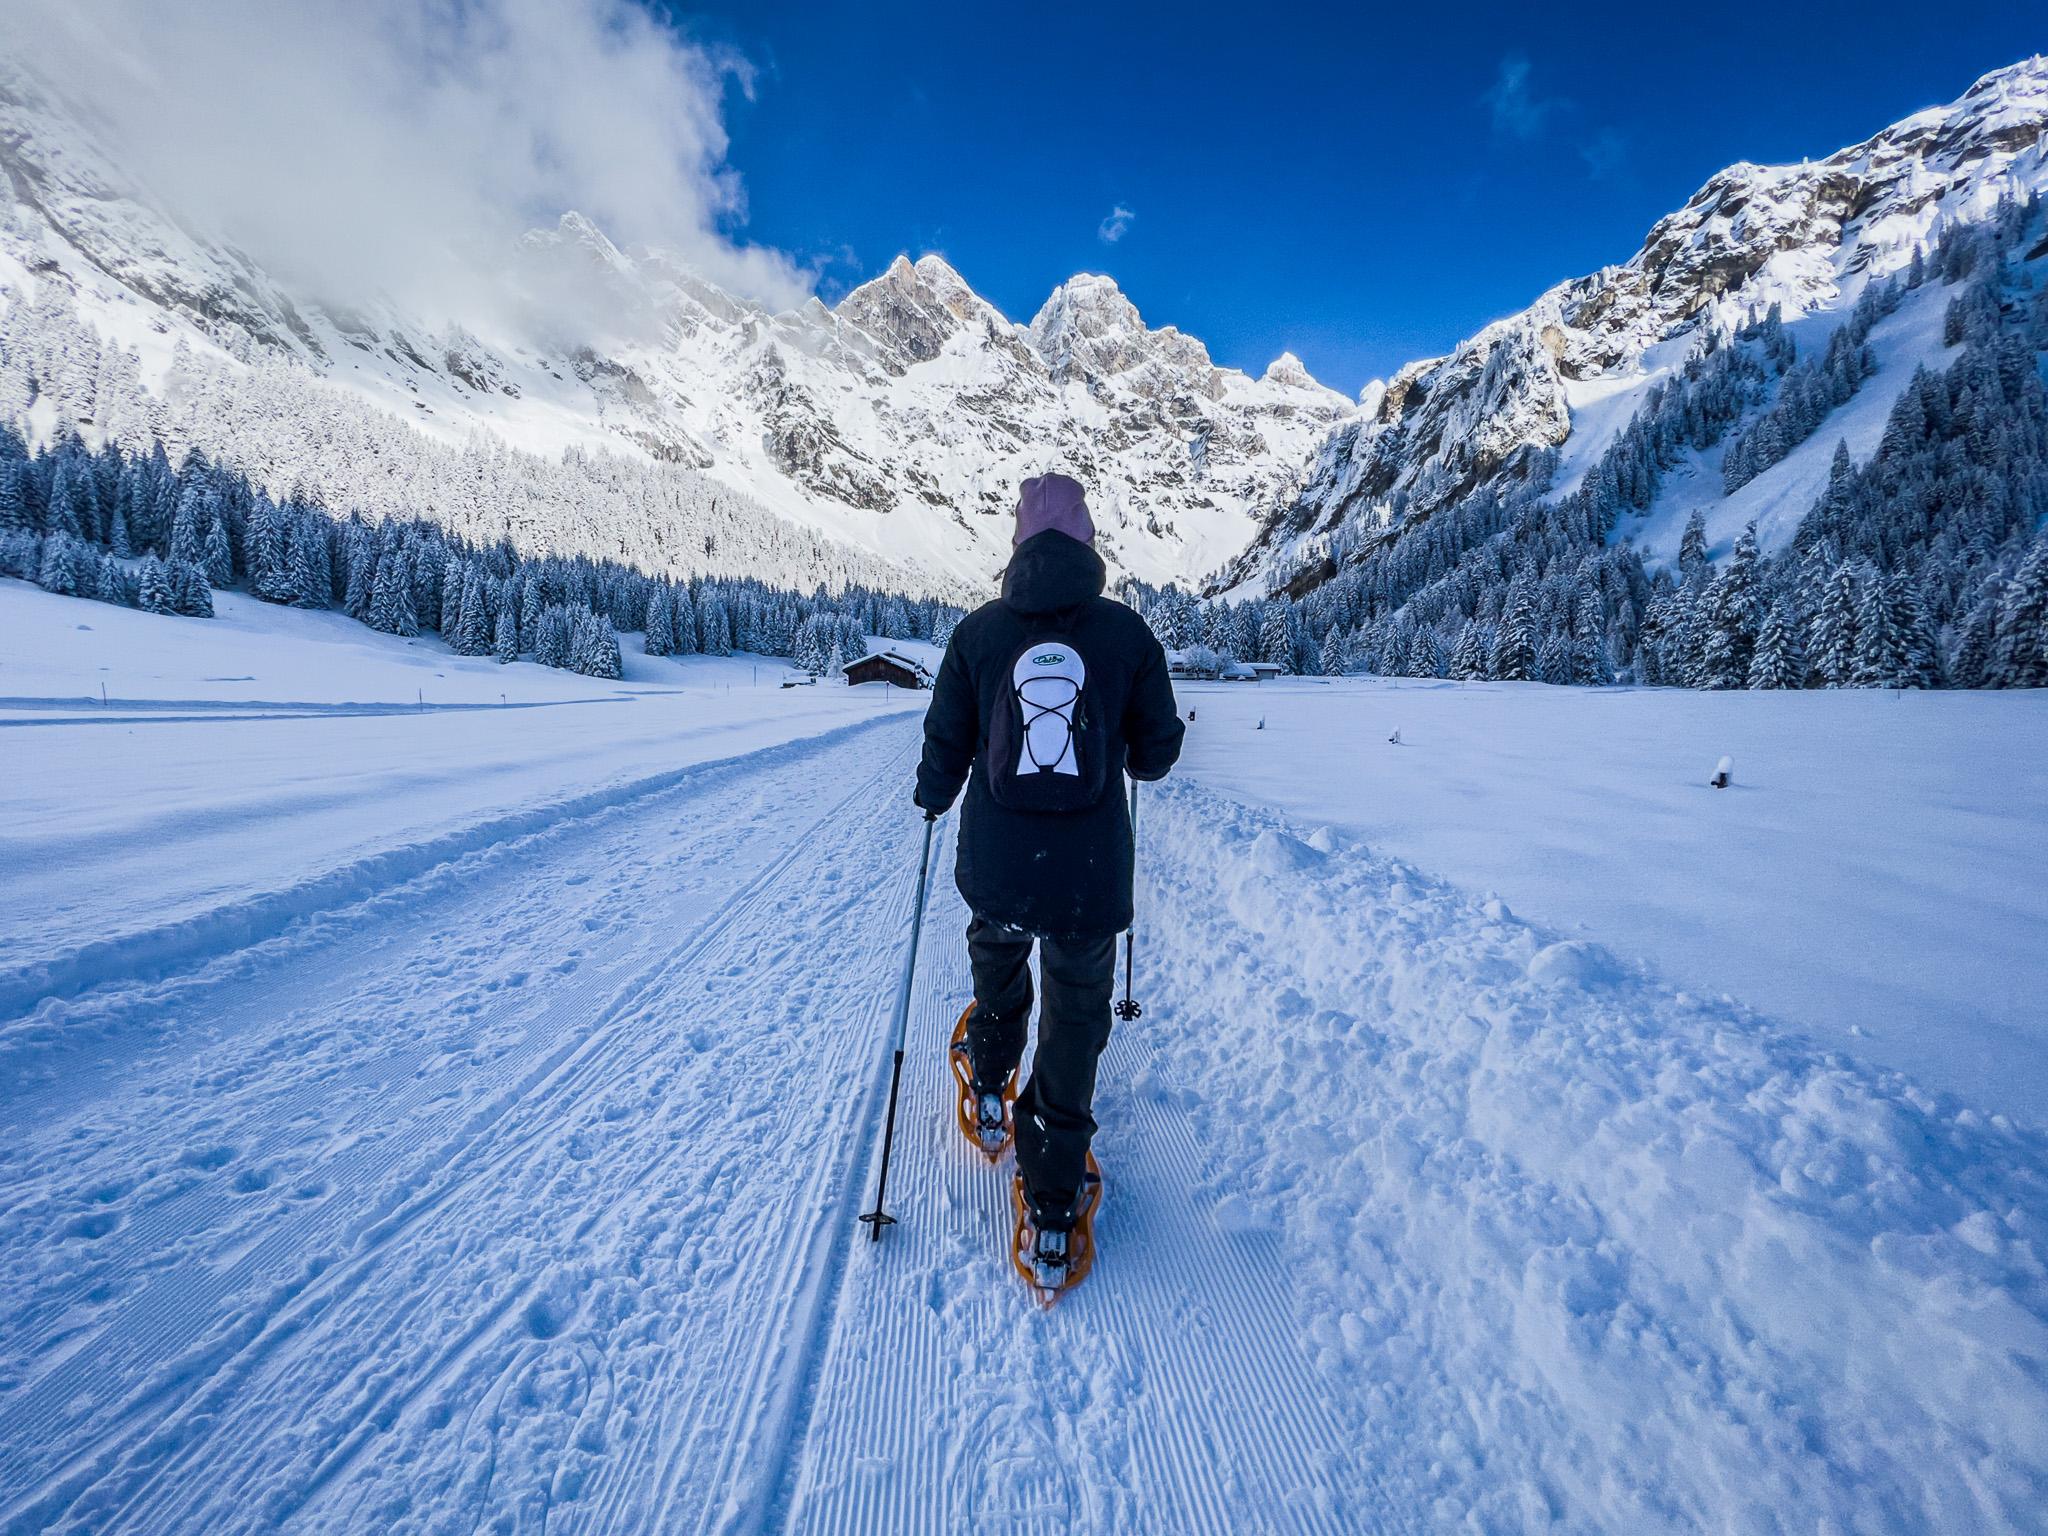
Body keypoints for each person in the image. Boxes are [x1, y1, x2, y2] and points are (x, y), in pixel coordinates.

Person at [915, 472, 1184, 1279]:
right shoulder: (1128, 635)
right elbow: (1158, 755)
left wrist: (931, 799)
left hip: (998, 870)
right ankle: (1054, 1197)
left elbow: (947, 747)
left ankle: (990, 1078)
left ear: (1019, 543)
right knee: (1074, 1022)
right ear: (1089, 541)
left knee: (999, 973)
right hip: (1089, 880)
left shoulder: (979, 633)